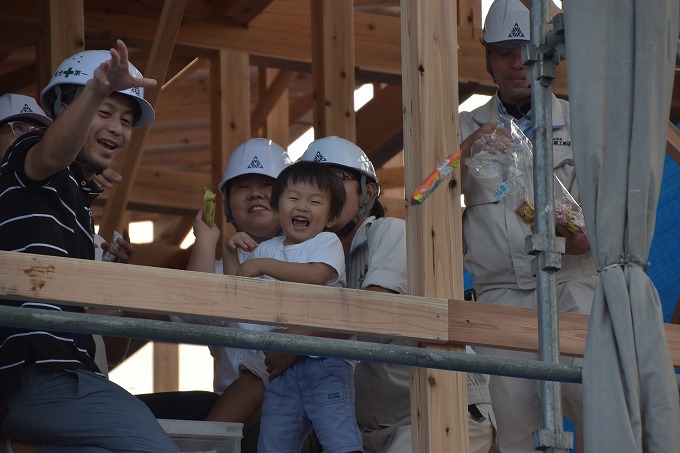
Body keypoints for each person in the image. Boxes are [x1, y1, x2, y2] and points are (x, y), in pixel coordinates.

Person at [0, 40, 179, 452]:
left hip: (61, 373)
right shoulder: (26, 156)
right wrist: (97, 88)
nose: (117, 128)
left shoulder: (73, 199)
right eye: (104, 111)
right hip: (40, 369)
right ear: (63, 110)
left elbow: (108, 339)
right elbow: (50, 154)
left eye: (126, 119)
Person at [458, 0, 596, 451]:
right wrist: (464, 153)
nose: (518, 64)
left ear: (552, 54)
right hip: (499, 294)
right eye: (504, 52)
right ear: (488, 57)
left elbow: (608, 219)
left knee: (600, 407)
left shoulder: (583, 122)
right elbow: (424, 200)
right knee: (514, 430)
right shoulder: (460, 125)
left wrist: (582, 233)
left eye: (529, 50)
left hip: (573, 285)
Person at [300, 135, 496, 453]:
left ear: (369, 191)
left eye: (335, 179)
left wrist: (293, 340)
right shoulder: (310, 264)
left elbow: (372, 311)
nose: (321, 191)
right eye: (309, 183)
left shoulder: (390, 233)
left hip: (440, 408)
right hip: (370, 426)